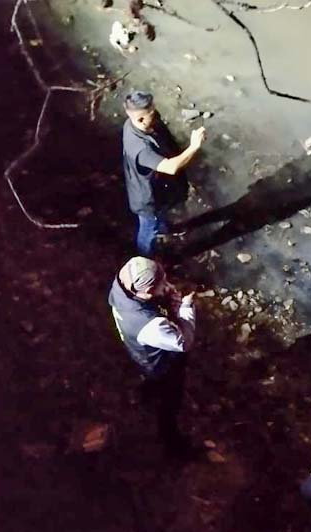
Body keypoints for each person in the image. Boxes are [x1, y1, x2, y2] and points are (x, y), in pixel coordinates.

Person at [108, 256, 196, 457]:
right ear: (147, 293)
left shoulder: (122, 285)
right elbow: (184, 343)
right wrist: (185, 308)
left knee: (150, 379)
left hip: (139, 353)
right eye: (162, 284)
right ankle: (173, 446)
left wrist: (164, 296)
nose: (168, 286)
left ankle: (146, 393)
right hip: (161, 365)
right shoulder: (151, 325)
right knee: (169, 403)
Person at [121, 90, 206, 256]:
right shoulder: (141, 148)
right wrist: (194, 146)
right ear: (140, 119)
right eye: (152, 113)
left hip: (159, 191)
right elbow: (170, 167)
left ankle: (164, 228)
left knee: (160, 216)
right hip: (147, 200)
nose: (156, 115)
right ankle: (145, 257)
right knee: (148, 229)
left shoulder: (132, 124)